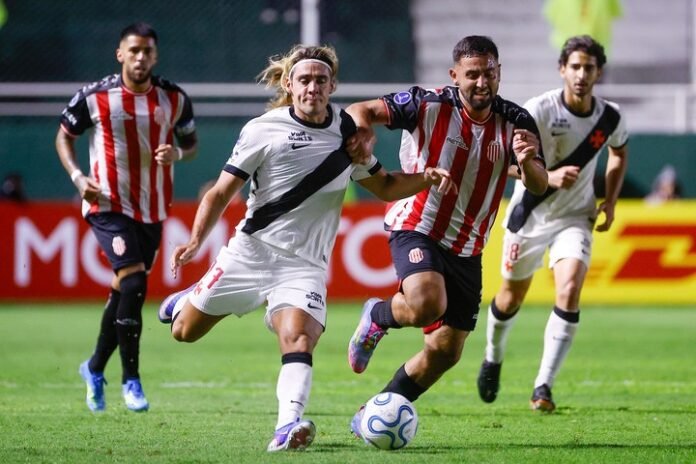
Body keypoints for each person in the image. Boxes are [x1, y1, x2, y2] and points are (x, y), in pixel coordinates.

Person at [156, 44, 456, 452]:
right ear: (288, 84)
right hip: (251, 253)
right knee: (184, 332)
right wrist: (195, 241)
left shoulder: (347, 133)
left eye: (320, 80)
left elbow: (385, 186)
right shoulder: (263, 129)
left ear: (332, 86)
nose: (312, 87)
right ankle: (188, 299)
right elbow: (221, 192)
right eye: (304, 80)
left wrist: (426, 178)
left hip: (304, 266)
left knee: (299, 339)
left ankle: (287, 426)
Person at [344, 35, 548, 435]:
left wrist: (527, 162)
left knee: (445, 351)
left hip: (468, 246)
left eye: (489, 73)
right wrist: (364, 132)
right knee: (426, 303)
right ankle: (378, 315)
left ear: (499, 73)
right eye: (472, 74)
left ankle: (371, 412)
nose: (482, 82)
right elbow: (359, 110)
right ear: (455, 75)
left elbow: (539, 184)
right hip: (417, 223)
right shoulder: (426, 103)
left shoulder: (518, 120)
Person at [477, 35, 629, 412]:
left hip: (575, 217)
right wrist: (548, 176)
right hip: (530, 214)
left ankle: (543, 386)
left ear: (599, 72)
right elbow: (501, 160)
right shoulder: (538, 110)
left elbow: (619, 151)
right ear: (562, 69)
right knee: (510, 298)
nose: (581, 74)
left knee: (569, 290)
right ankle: (493, 357)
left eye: (589, 68)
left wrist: (610, 201)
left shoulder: (610, 117)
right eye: (575, 67)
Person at [55, 22, 198, 413]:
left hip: (153, 208)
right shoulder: (95, 97)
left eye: (147, 51)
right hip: (107, 203)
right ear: (120, 54)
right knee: (134, 281)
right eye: (133, 50)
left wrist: (178, 154)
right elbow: (64, 135)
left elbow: (191, 144)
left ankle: (93, 367)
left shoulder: (174, 98)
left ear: (155, 56)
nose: (140, 58)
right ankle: (130, 379)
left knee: (124, 290)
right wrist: (78, 177)